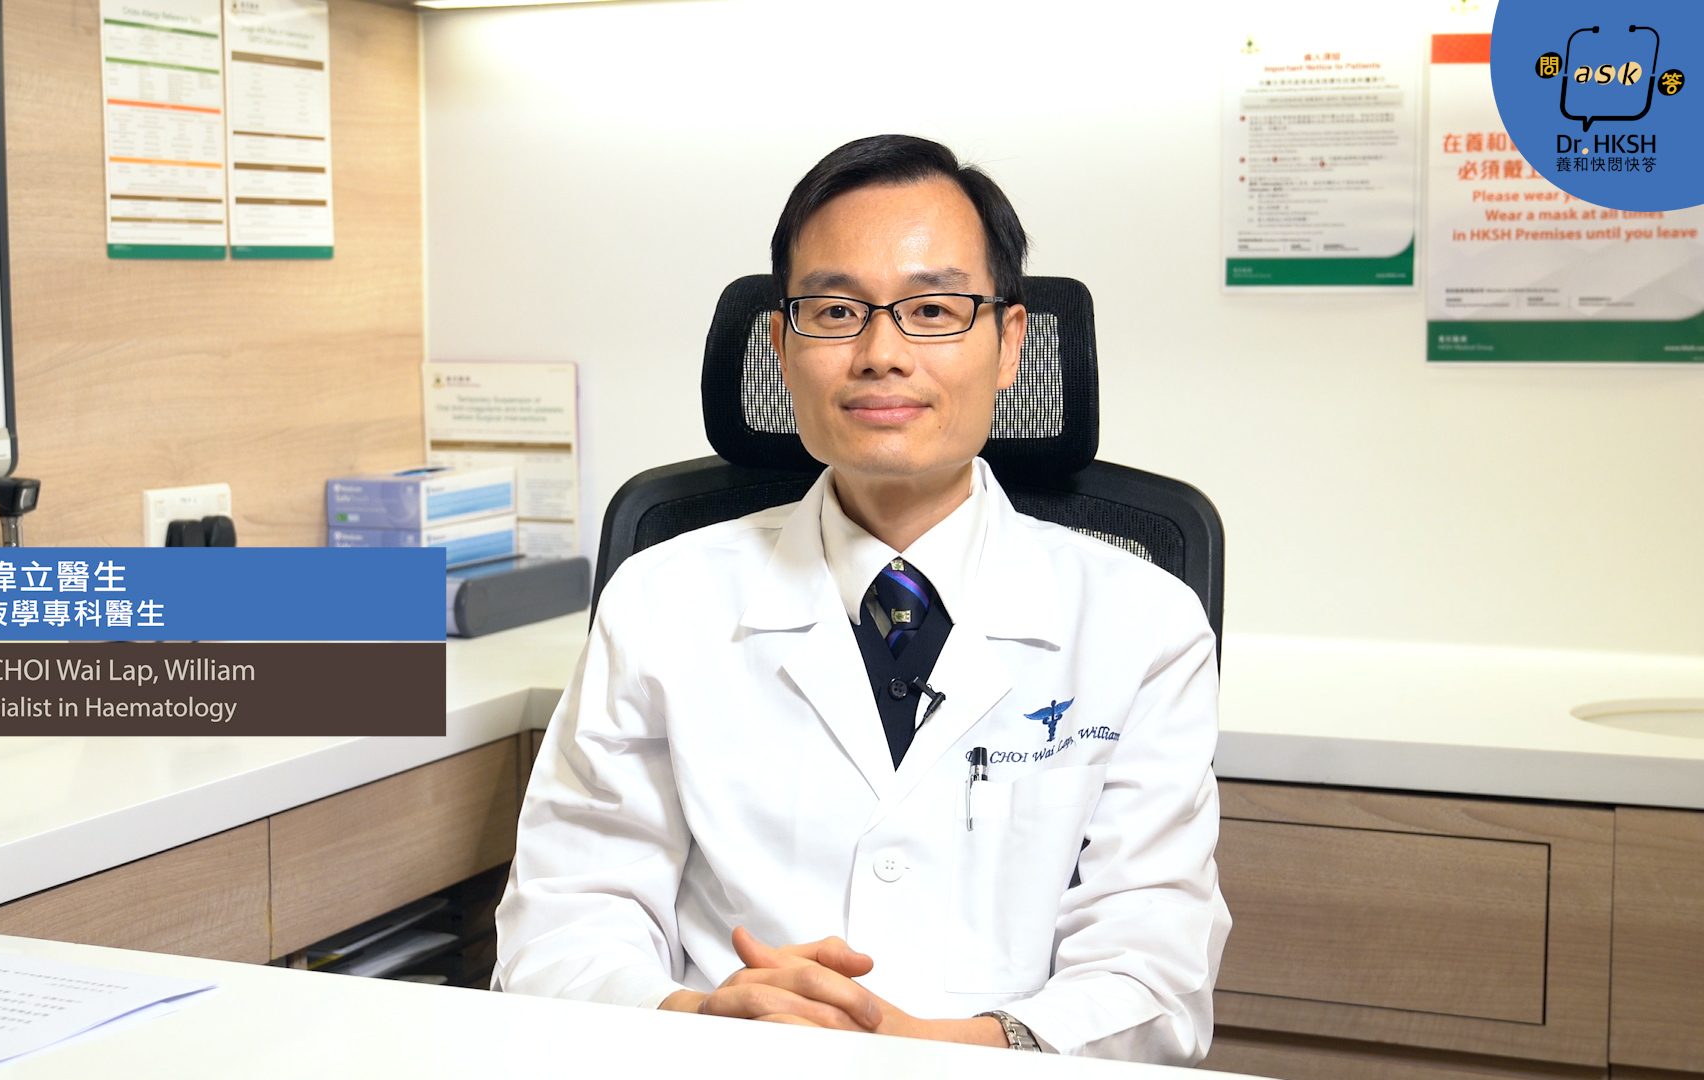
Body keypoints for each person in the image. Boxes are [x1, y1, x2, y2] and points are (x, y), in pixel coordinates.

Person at [493, 134, 1229, 1061]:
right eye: (836, 311)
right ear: (781, 346)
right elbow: (561, 929)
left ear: (1010, 344)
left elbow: (1154, 974)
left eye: (933, 310)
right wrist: (699, 1017)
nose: (881, 353)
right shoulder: (659, 601)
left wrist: (925, 1047)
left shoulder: (1143, 623)